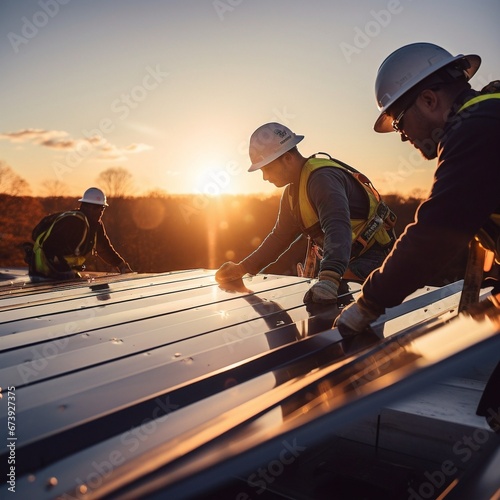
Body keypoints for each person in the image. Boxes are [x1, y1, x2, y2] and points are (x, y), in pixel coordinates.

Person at [334, 42, 500, 335]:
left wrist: (369, 303)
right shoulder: (488, 114)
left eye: (399, 122)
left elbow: (434, 235)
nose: (402, 136)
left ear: (428, 100)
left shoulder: (475, 130)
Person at [215, 122, 397, 304]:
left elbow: (337, 227)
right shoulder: (292, 194)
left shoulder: (321, 179)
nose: (265, 177)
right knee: (326, 315)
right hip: (347, 259)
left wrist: (329, 279)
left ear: (287, 158)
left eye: (267, 168)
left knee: (340, 316)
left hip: (373, 258)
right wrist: (242, 268)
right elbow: (279, 238)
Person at [24, 187, 133, 280]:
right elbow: (50, 247)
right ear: (84, 206)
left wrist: (121, 265)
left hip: (61, 274)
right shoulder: (73, 222)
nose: (100, 211)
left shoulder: (95, 225)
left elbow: (104, 248)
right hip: (45, 274)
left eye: (102, 207)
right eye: (96, 207)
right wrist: (65, 272)